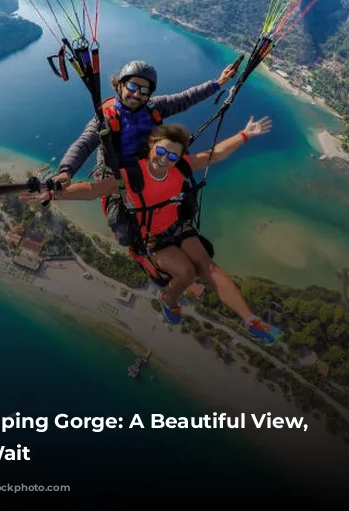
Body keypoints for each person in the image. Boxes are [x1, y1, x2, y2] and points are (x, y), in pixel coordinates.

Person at [26, 117, 283, 345]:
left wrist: (245, 134)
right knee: (186, 272)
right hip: (150, 237)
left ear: (179, 157)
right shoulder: (132, 175)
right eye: (161, 151)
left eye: (172, 156)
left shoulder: (181, 167)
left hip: (176, 225)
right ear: (151, 147)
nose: (164, 159)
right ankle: (168, 299)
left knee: (208, 267)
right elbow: (92, 190)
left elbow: (215, 155)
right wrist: (54, 193)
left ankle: (251, 321)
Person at [51, 59, 239, 244]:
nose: (136, 94)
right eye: (132, 86)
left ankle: (170, 226)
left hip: (150, 168)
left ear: (149, 94)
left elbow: (186, 98)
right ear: (121, 85)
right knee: (125, 233)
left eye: (143, 90)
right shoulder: (105, 118)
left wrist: (218, 83)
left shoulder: (154, 107)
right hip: (120, 177)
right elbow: (84, 144)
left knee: (187, 204)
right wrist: (66, 171)